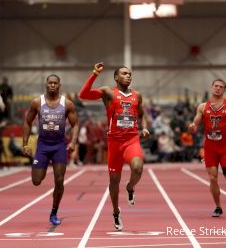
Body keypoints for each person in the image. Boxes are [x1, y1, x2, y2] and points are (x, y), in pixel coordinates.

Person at [79, 62, 150, 230]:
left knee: (138, 168)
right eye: (124, 73)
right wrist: (94, 73)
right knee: (114, 181)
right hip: (114, 142)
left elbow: (142, 114)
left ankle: (130, 187)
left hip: (131, 139)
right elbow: (83, 94)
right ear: (116, 77)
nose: (128, 76)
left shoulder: (137, 95)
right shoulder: (108, 92)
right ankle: (116, 212)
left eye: (130, 74)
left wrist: (145, 127)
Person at [188, 79, 226, 217]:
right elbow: (195, 124)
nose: (218, 89)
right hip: (210, 148)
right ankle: (218, 206)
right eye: (216, 86)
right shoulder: (203, 107)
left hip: (225, 148)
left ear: (224, 90)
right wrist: (192, 127)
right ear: (211, 88)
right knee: (213, 178)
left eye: (221, 87)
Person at [22, 74, 79, 226]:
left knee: (59, 180)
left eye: (55, 83)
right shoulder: (37, 102)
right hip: (42, 145)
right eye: (50, 83)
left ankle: (54, 212)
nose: (52, 85)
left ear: (60, 85)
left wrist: (73, 142)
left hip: (59, 145)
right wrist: (25, 144)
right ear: (46, 84)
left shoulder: (67, 104)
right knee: (36, 181)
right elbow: (27, 122)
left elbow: (75, 125)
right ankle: (41, 166)